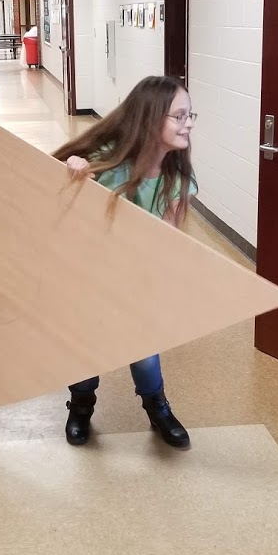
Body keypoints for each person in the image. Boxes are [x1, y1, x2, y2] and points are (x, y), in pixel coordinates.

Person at [50, 76, 199, 449]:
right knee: (86, 348)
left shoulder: (176, 175)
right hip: (92, 276)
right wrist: (74, 170)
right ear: (152, 118)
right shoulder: (110, 164)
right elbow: (63, 201)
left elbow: (169, 238)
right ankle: (81, 406)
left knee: (143, 350)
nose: (188, 124)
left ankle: (158, 409)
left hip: (137, 278)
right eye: (179, 116)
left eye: (190, 115)